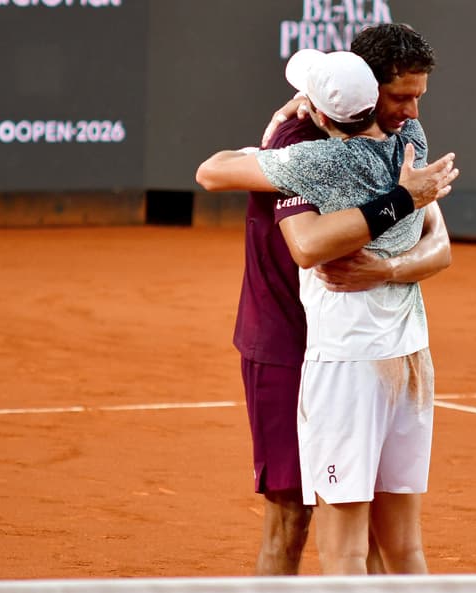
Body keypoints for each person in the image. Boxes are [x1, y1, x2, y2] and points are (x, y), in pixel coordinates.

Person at [196, 48, 454, 575]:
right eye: (402, 96)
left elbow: (438, 244)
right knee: (293, 518)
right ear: (372, 91)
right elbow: (308, 245)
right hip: (288, 345)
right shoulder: (310, 145)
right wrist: (401, 202)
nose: (412, 112)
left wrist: (386, 268)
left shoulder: (398, 143)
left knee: (367, 546)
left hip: (350, 356)